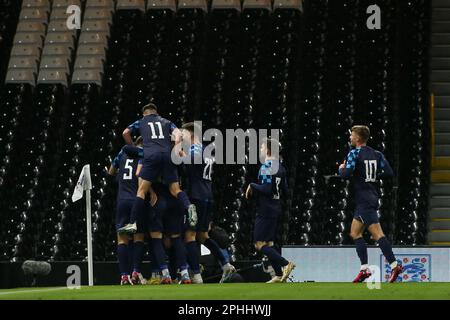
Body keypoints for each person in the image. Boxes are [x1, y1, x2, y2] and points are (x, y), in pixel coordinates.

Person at [119, 103, 197, 233]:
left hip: (150, 156)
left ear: (145, 114)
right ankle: (188, 206)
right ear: (156, 113)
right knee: (175, 189)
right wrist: (177, 148)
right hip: (167, 155)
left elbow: (125, 132)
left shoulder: (141, 121)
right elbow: (178, 134)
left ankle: (132, 223)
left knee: (142, 191)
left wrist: (132, 145)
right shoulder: (167, 121)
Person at [338, 125, 402, 283]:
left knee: (378, 234)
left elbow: (346, 175)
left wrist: (341, 168)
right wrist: (372, 176)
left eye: (352, 135)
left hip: (364, 199)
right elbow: (389, 173)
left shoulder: (354, 153)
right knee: (354, 232)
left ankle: (395, 265)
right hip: (370, 196)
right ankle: (364, 269)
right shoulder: (377, 154)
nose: (350, 138)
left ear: (358, 138)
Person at [180, 122, 236, 284]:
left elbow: (187, 163)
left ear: (191, 134)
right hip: (207, 195)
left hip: (196, 196)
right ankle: (225, 265)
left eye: (183, 134)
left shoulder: (195, 148)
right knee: (203, 236)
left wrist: (179, 152)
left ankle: (196, 275)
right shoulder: (208, 150)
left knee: (189, 235)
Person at [245, 138, 295, 283]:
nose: (260, 150)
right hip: (276, 208)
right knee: (270, 244)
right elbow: (285, 190)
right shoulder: (280, 167)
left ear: (268, 150)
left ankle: (286, 264)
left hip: (266, 209)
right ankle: (279, 275)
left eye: (261, 147)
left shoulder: (267, 166)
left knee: (259, 244)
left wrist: (252, 185)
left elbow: (266, 189)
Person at [108, 137, 147, 285]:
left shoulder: (122, 154)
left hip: (122, 200)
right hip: (137, 200)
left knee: (122, 239)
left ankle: (124, 276)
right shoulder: (144, 155)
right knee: (138, 238)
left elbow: (111, 172)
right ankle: (136, 272)